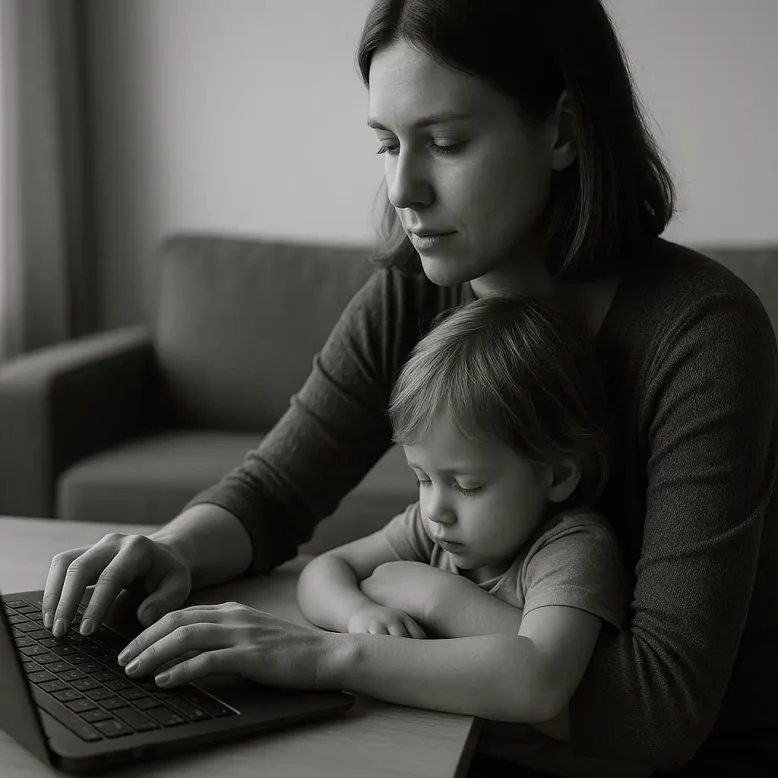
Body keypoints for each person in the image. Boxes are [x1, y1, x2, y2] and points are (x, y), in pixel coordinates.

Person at [39, 0, 778, 775]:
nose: (401, 189)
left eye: (446, 143)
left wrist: (373, 628)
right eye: (387, 144)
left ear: (563, 131)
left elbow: (655, 713)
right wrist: (171, 549)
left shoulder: (704, 335)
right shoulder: (415, 291)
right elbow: (276, 493)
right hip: (461, 727)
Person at [296, 292, 636, 776]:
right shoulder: (431, 527)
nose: (435, 508)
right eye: (422, 478)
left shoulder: (573, 549)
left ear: (557, 475)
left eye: (467, 485)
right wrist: (357, 612)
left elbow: (538, 680)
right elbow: (324, 570)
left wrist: (435, 595)